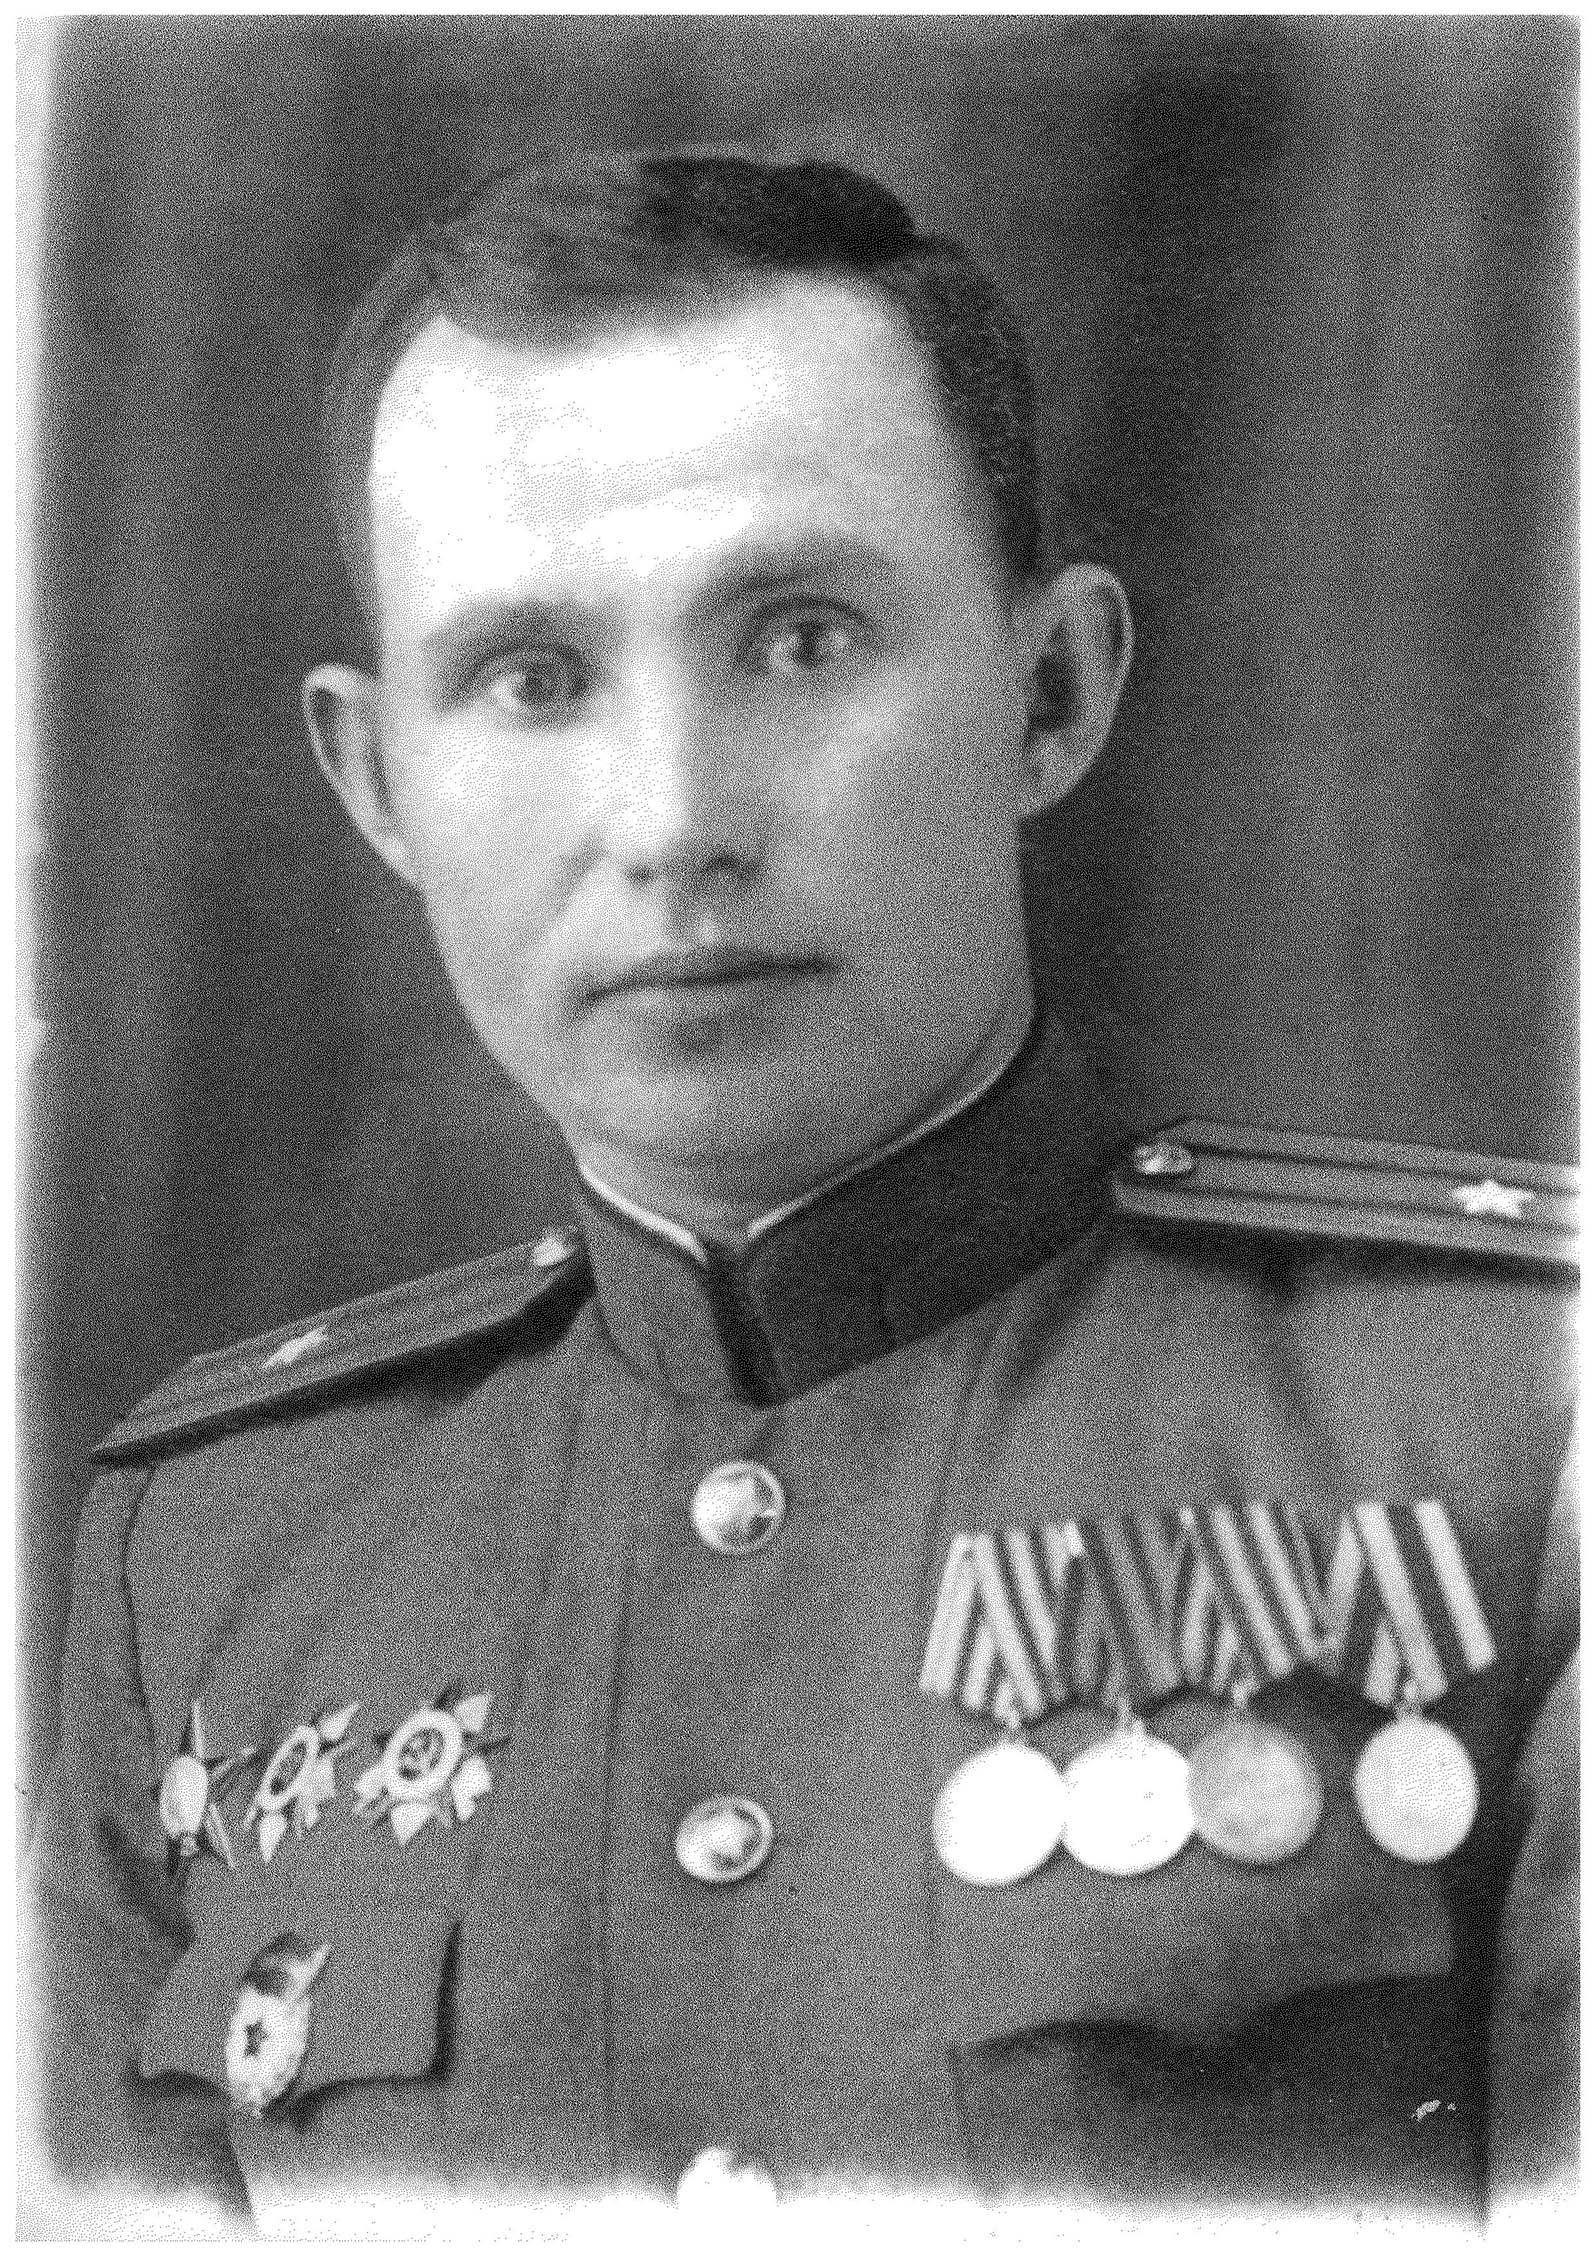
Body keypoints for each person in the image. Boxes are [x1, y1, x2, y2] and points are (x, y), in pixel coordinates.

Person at [26, 150, 1577, 2234]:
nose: (674, 820)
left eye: (802, 638)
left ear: (1052, 693)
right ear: (381, 779)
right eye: (533, 677)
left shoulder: (1512, 1436)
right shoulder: (213, 1566)